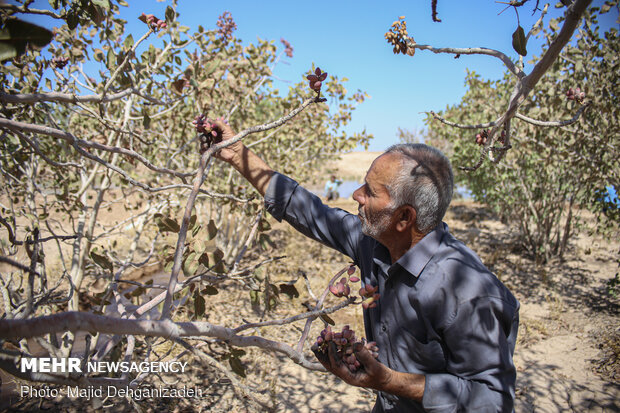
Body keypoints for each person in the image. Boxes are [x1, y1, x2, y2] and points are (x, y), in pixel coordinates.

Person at [211, 121, 520, 412]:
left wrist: (390, 381)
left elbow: (492, 400)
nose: (356, 195)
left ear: (404, 218)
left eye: (370, 192)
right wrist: (238, 154)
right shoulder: (376, 242)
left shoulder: (470, 294)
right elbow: (307, 210)